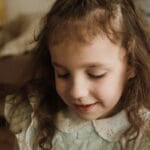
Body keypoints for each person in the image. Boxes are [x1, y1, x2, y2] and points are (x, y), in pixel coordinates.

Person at [4, 0, 150, 150]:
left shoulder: (142, 135)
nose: (77, 92)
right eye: (63, 74)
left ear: (131, 65)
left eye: (95, 74)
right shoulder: (34, 117)